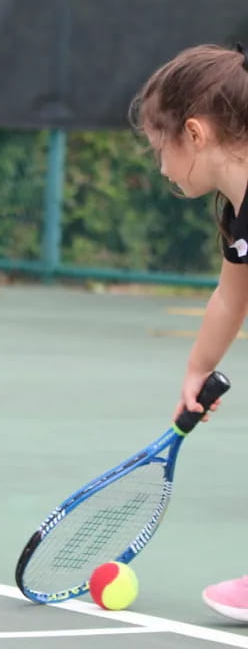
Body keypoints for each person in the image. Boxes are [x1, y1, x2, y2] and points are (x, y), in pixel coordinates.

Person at [133, 43, 248, 621]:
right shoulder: (238, 210)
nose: (161, 166)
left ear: (195, 134)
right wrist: (198, 368)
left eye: (162, 148)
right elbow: (233, 295)